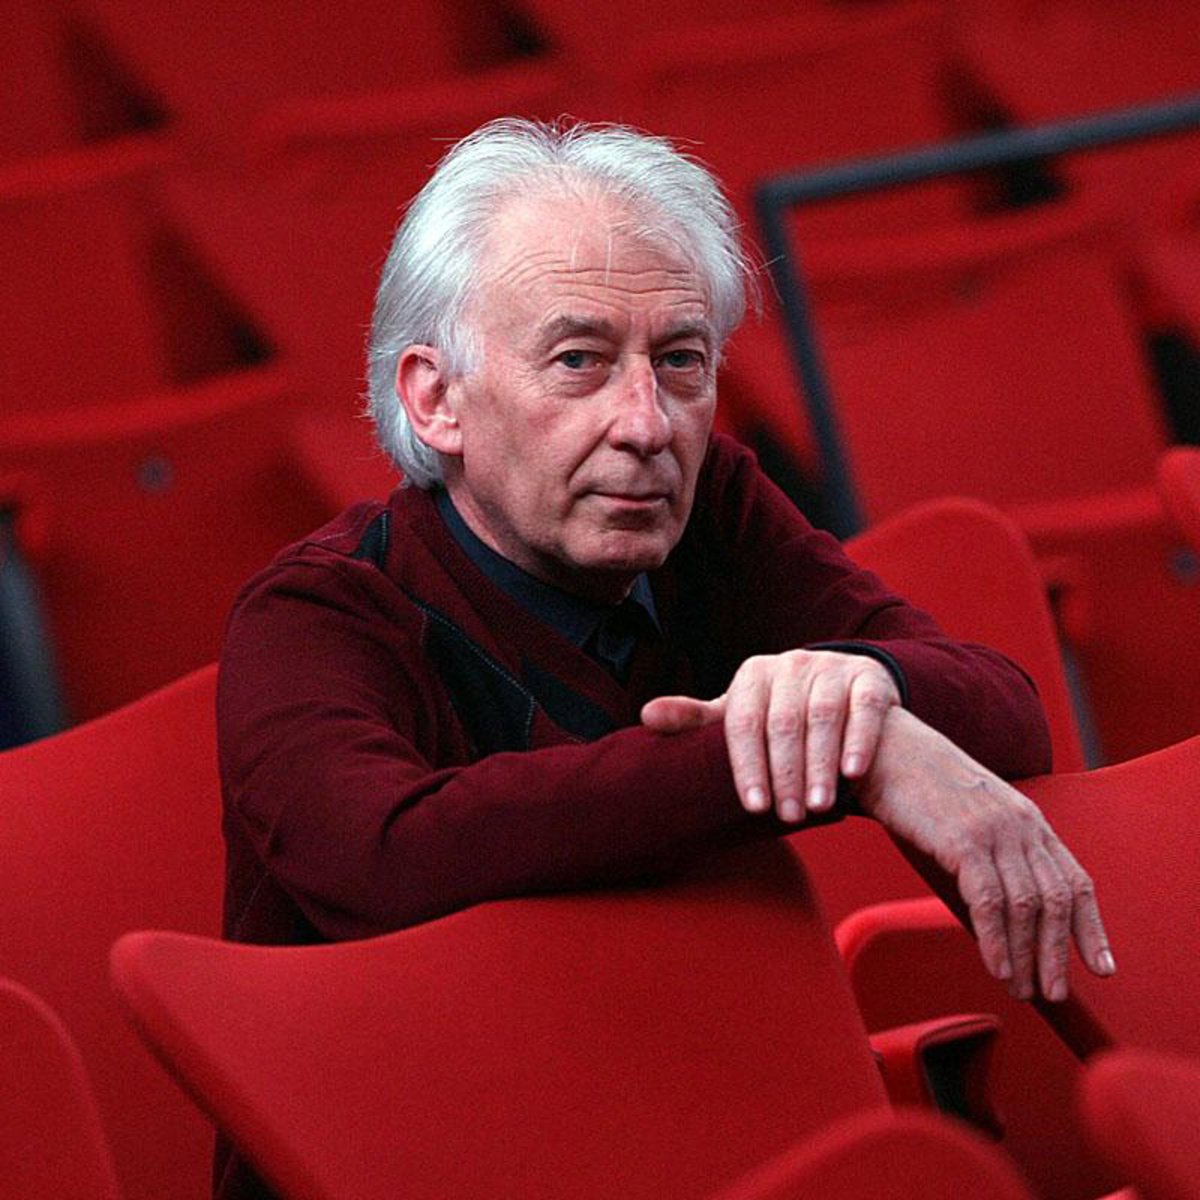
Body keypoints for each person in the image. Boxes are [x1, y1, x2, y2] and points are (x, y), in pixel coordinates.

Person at [216, 114, 1113, 1198]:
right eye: (579, 361)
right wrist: (821, 753)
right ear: (435, 398)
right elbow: (386, 861)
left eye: (680, 361)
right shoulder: (314, 613)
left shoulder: (709, 507)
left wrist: (863, 689)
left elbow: (1003, 708)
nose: (647, 424)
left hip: (687, 1133)